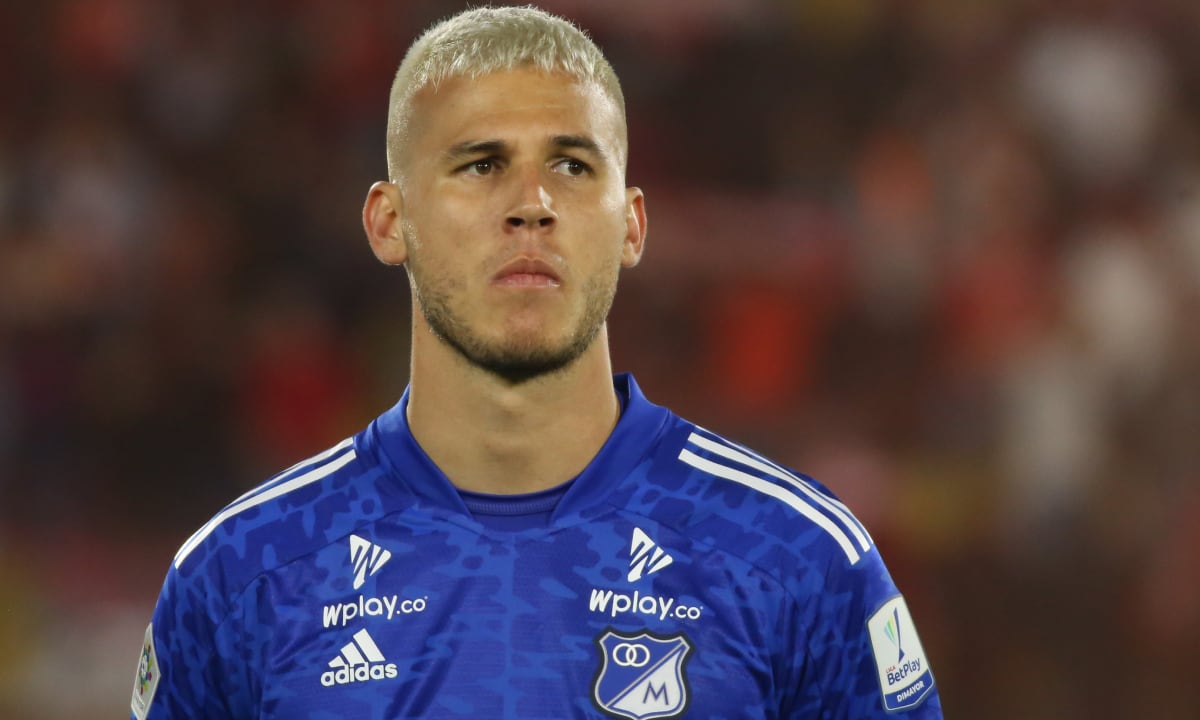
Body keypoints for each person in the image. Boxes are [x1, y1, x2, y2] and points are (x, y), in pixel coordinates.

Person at [131, 6, 944, 719]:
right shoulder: (242, 576)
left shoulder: (796, 560)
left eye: (571, 165)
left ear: (631, 225)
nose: (532, 204)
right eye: (481, 165)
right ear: (389, 222)